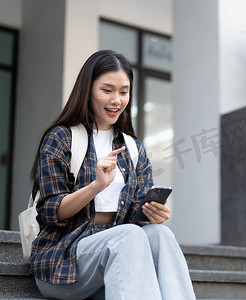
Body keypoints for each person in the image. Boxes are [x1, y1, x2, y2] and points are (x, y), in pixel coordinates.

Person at [29, 50, 196, 300]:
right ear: (87, 89)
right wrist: (96, 186)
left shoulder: (133, 148)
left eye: (124, 91)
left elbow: (134, 216)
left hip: (119, 258)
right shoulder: (61, 137)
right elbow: (50, 211)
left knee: (161, 234)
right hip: (64, 260)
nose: (116, 100)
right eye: (107, 90)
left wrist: (151, 215)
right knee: (128, 236)